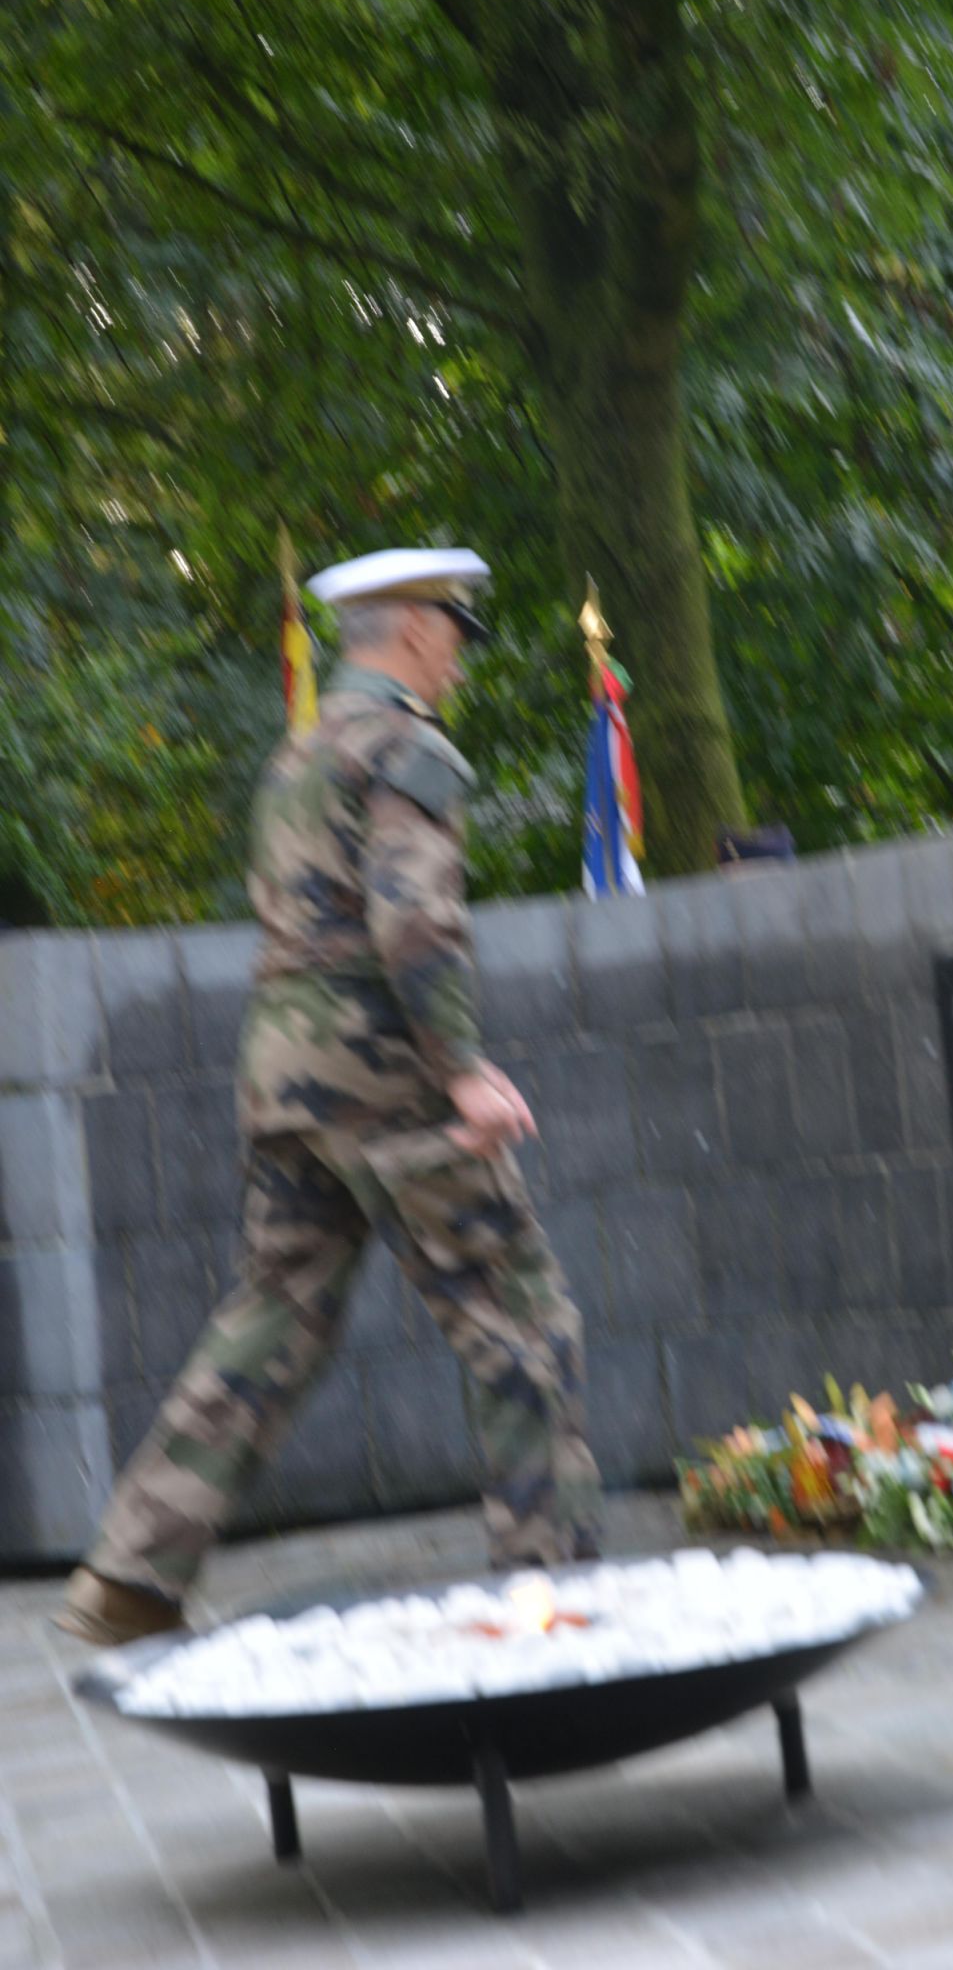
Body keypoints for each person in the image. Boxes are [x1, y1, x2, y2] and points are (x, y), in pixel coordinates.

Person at [59, 549, 602, 1646]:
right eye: (453, 634)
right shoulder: (407, 749)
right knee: (517, 1313)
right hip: (380, 1070)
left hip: (283, 1074)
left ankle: (129, 1576)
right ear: (414, 630)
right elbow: (411, 918)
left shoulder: (297, 754)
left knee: (274, 1316)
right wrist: (461, 1068)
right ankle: (551, 1591)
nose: (458, 659)